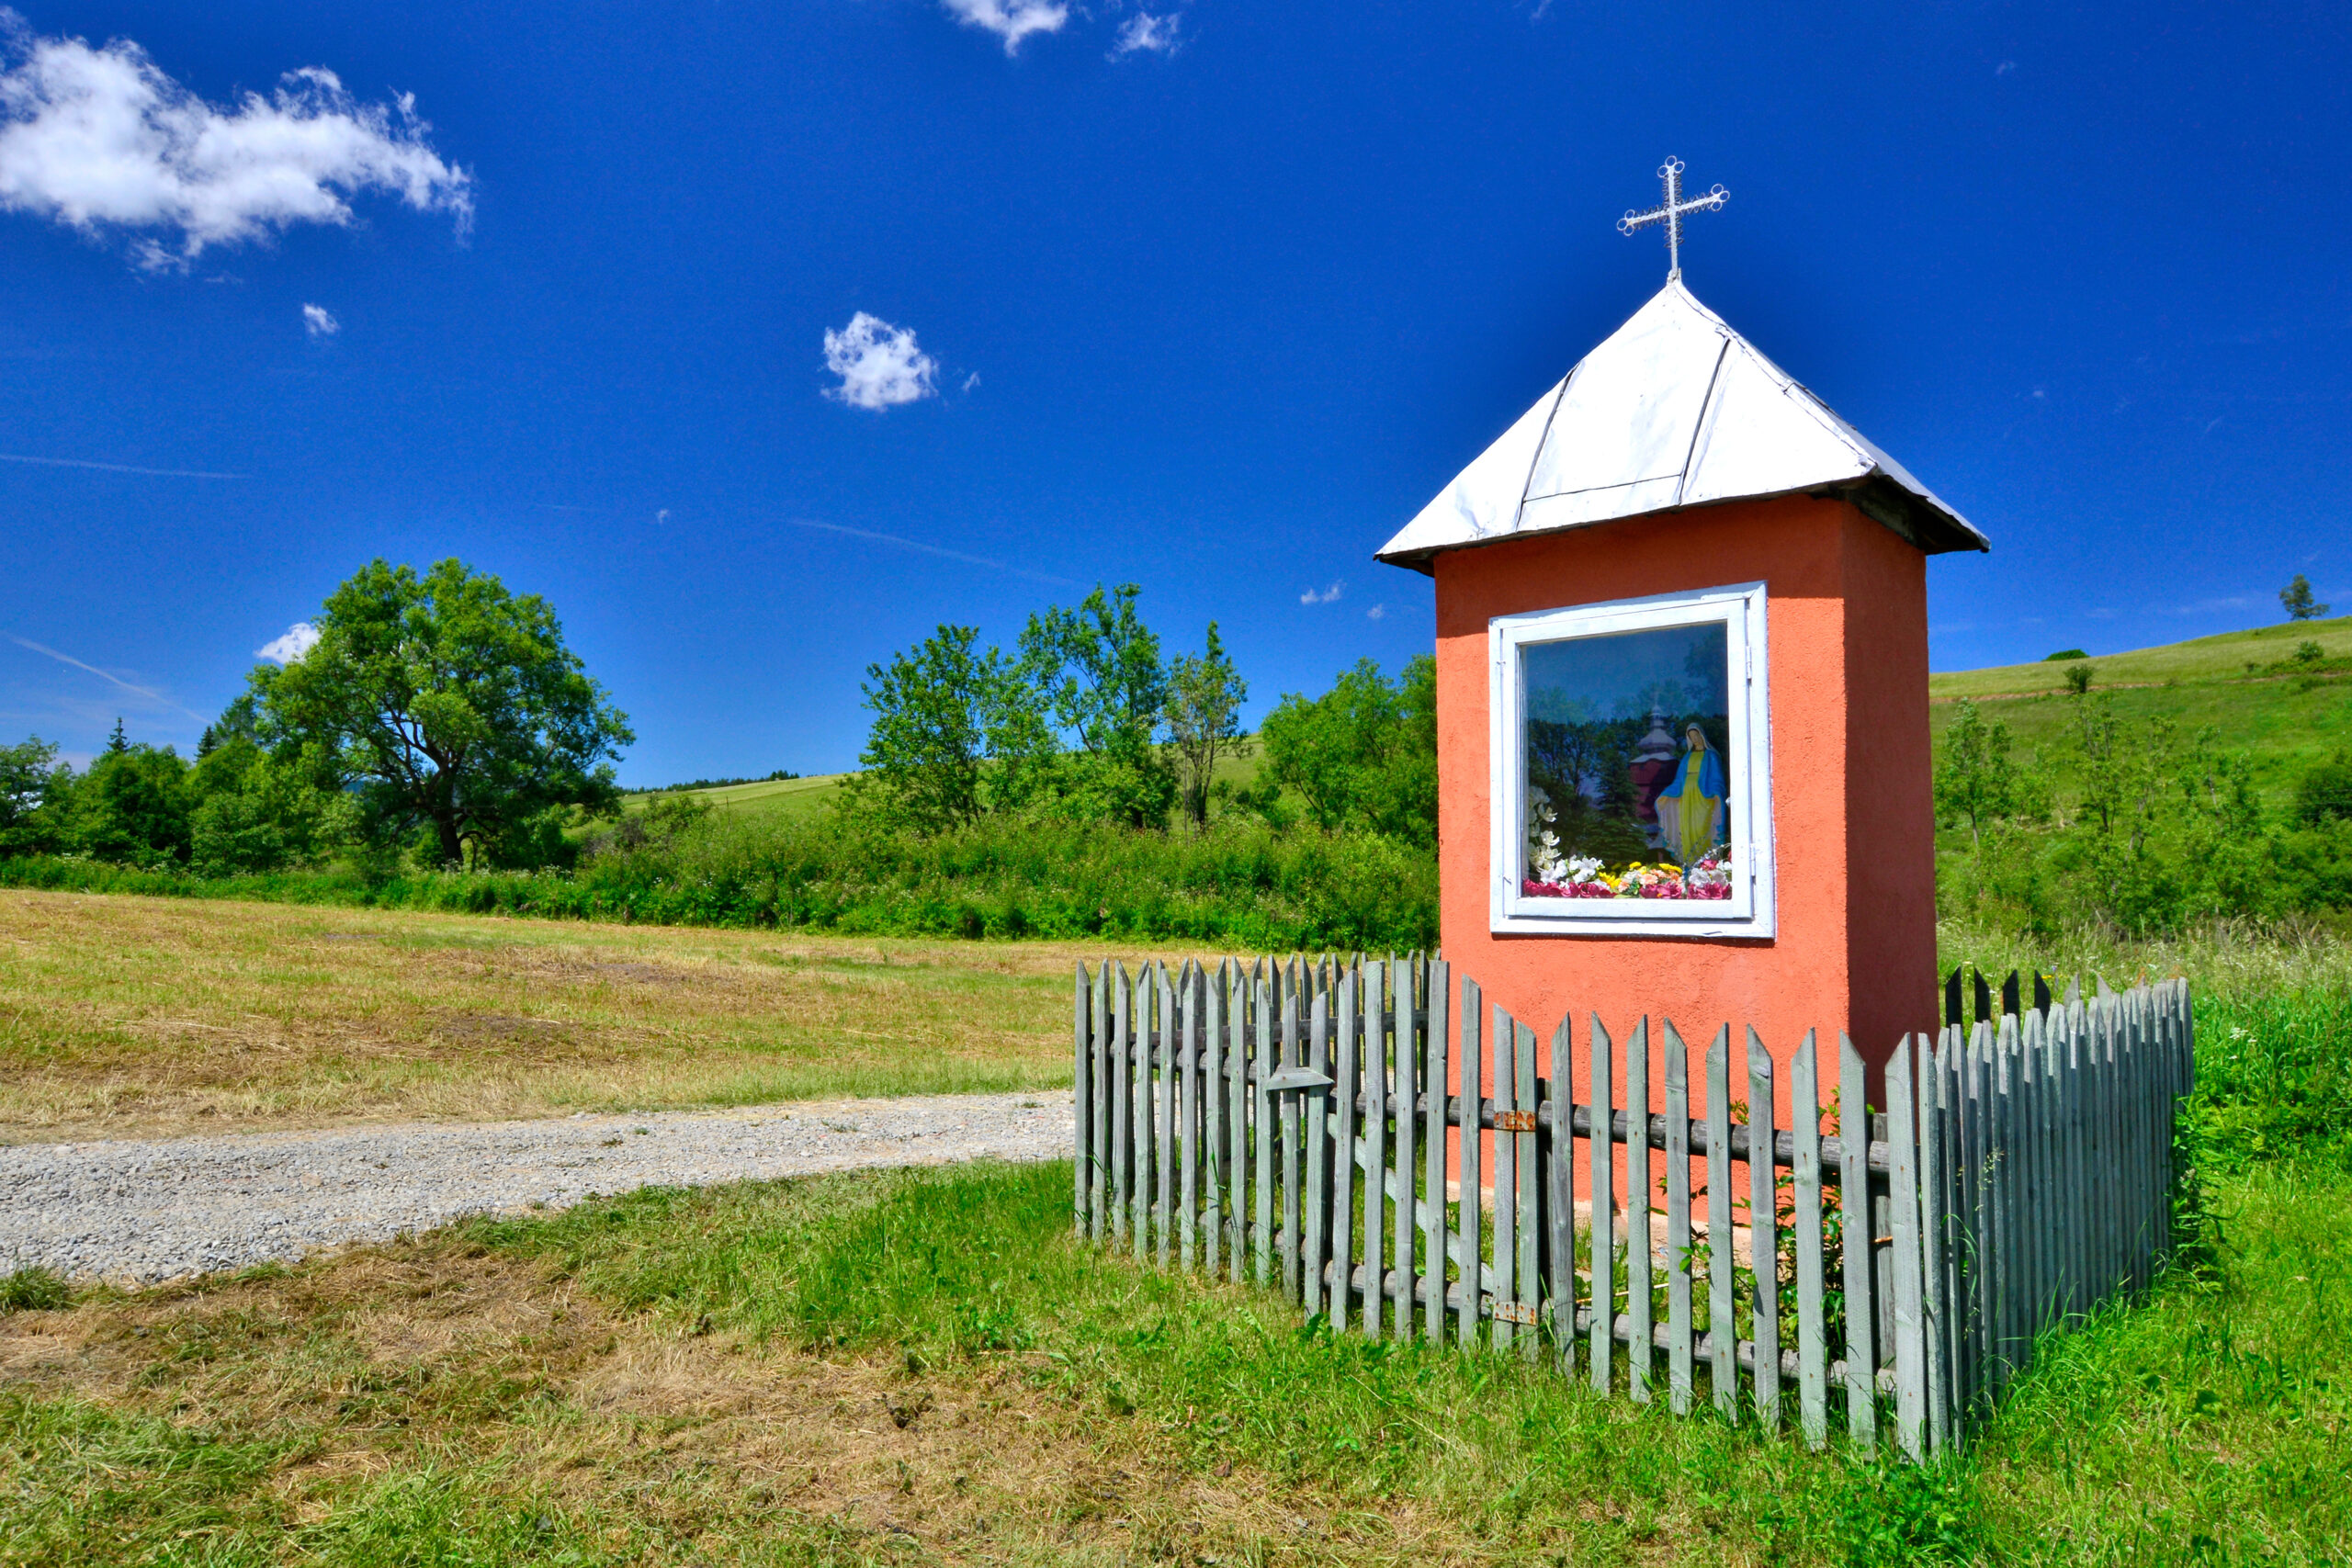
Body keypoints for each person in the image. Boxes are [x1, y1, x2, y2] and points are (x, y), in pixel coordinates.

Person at [1653, 723, 1726, 868]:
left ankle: (1705, 865)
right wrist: (1667, 794)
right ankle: (1689, 865)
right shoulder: (1687, 757)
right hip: (1686, 795)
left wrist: (1715, 792)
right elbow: (1679, 779)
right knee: (1686, 829)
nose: (1695, 739)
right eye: (1691, 737)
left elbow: (1717, 778)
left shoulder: (1711, 756)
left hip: (1703, 796)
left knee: (1701, 829)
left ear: (1701, 736)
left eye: (1696, 735)